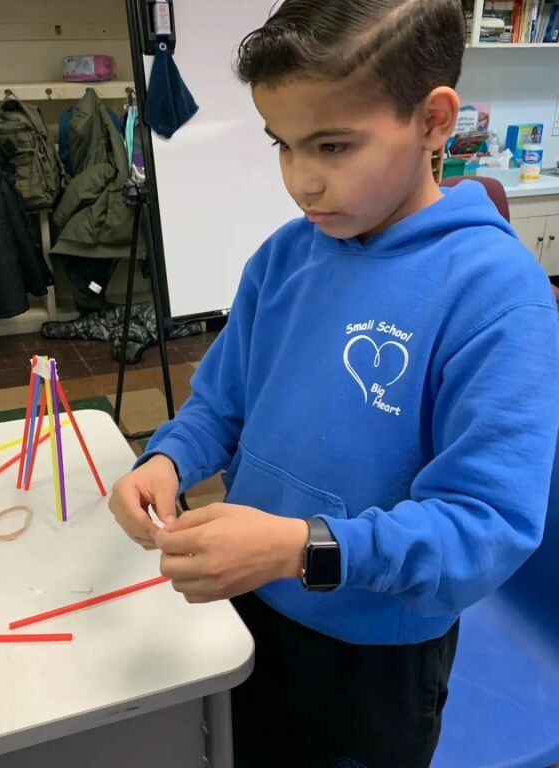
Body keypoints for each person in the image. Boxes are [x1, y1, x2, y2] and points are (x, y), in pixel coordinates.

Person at [109, 1, 559, 766]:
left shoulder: (495, 294)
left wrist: (299, 548)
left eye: (333, 145)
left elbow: (484, 525)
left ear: (433, 120)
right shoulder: (285, 259)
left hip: (376, 648)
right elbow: (223, 401)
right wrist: (167, 461)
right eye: (282, 145)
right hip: (250, 602)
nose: (302, 181)